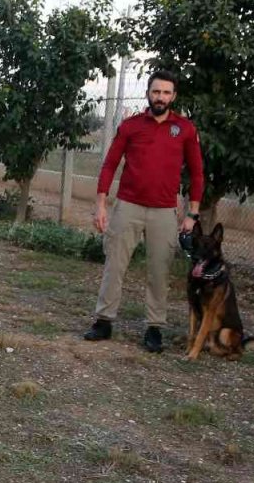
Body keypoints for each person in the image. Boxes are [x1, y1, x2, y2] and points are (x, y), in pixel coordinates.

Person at [84, 69, 203, 353]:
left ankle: (154, 328)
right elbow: (110, 164)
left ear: (173, 96)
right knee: (115, 264)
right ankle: (103, 321)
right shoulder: (131, 126)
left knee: (159, 270)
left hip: (164, 211)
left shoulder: (185, 129)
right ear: (148, 93)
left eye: (166, 92)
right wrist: (101, 204)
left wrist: (192, 214)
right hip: (128, 206)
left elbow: (197, 174)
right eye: (155, 91)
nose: (160, 97)